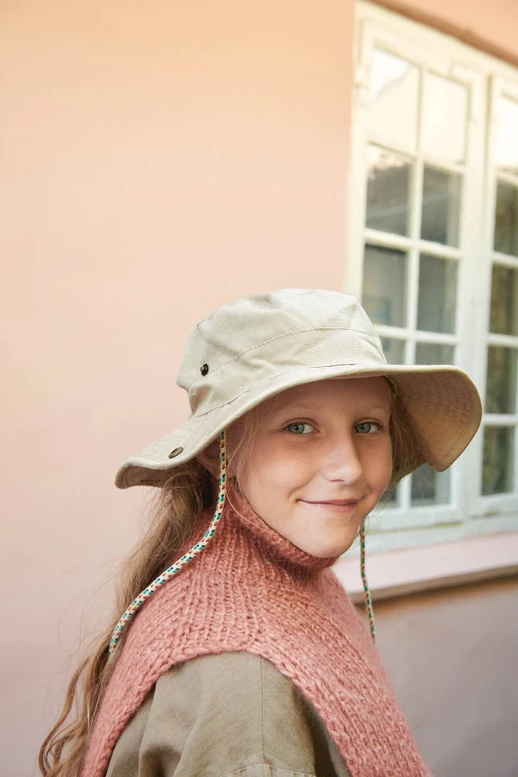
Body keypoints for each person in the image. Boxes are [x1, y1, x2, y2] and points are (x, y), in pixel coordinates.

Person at [39, 288, 482, 777]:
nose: (351, 468)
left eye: (368, 426)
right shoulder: (249, 688)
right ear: (217, 452)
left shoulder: (275, 568)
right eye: (299, 427)